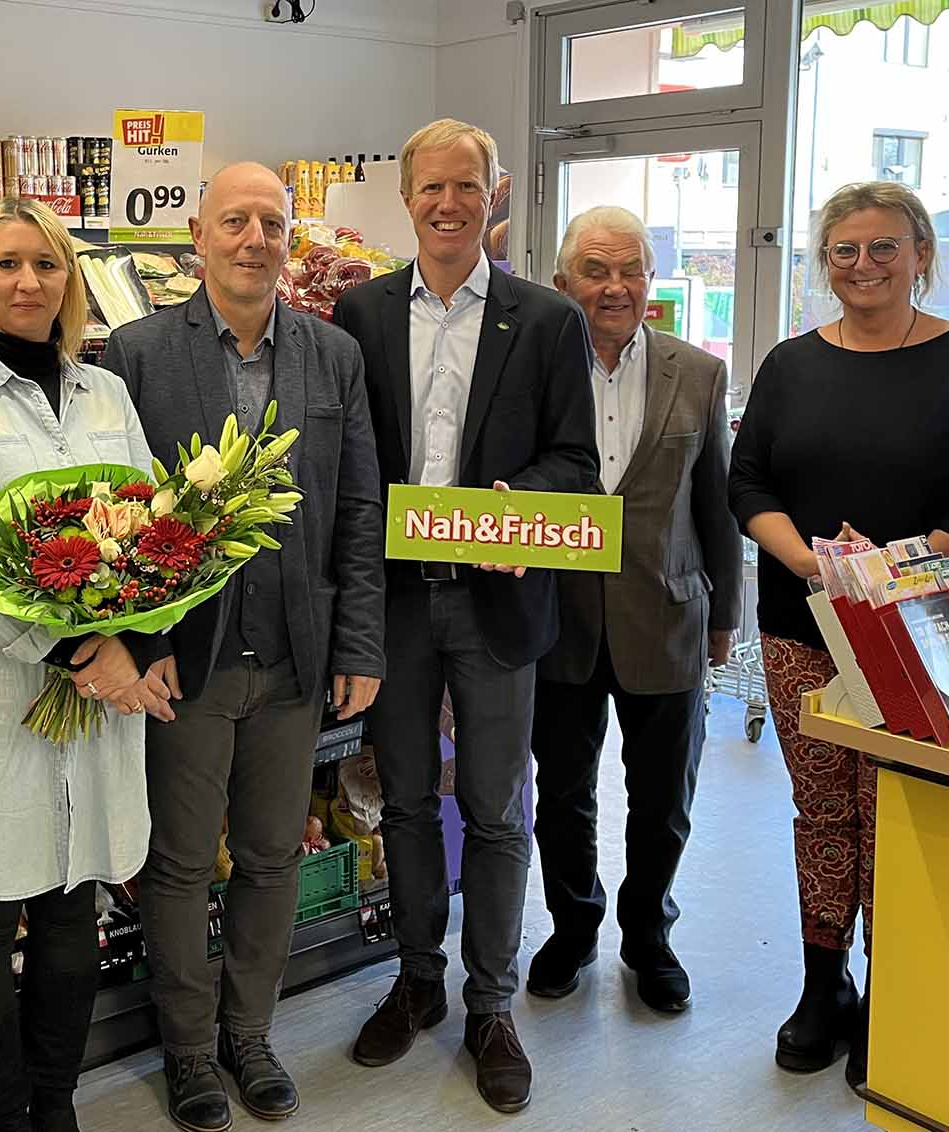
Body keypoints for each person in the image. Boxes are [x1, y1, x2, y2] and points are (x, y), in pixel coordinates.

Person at [101, 163, 386, 1132]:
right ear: (198, 233)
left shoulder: (330, 356)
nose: (254, 237)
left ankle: (248, 1033)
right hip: (188, 657)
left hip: (297, 656)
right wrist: (139, 641)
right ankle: (186, 1050)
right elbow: (119, 511)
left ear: (289, 236)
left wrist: (359, 642)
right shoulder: (134, 353)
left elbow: (357, 508)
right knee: (181, 862)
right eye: (235, 220)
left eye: (271, 221)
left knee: (267, 856)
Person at [331, 118, 600, 1114]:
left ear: (498, 194)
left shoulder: (542, 319)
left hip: (495, 600)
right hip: (395, 605)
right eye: (429, 189)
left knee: (493, 809)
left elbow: (576, 460)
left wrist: (510, 507)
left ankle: (490, 1004)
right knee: (403, 801)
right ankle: (417, 980)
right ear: (406, 200)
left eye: (465, 187)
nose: (447, 205)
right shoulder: (354, 313)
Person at [729, 180, 949, 1089]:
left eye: (885, 247)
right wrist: (816, 564)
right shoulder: (790, 363)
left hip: (921, 628)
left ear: (921, 255)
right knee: (823, 810)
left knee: (897, 812)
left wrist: (901, 564)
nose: (864, 266)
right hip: (802, 623)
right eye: (846, 250)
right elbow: (748, 484)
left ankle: (901, 985)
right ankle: (826, 984)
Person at [0, 196, 166, 1132]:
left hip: (97, 684)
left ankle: (56, 1106)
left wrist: (131, 636)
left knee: (69, 901)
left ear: (71, 281)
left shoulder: (107, 393)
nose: (28, 283)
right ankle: (8, 1118)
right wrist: (74, 649)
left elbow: (152, 527)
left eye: (46, 266)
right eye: (7, 264)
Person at [528, 206, 743, 1014]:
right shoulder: (534, 370)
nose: (614, 287)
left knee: (663, 799)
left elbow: (717, 502)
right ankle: (573, 926)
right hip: (560, 621)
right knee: (564, 792)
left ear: (651, 280)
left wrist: (726, 615)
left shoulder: (699, 371)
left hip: (669, 614)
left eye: (630, 271)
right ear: (563, 283)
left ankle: (649, 934)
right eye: (596, 270)